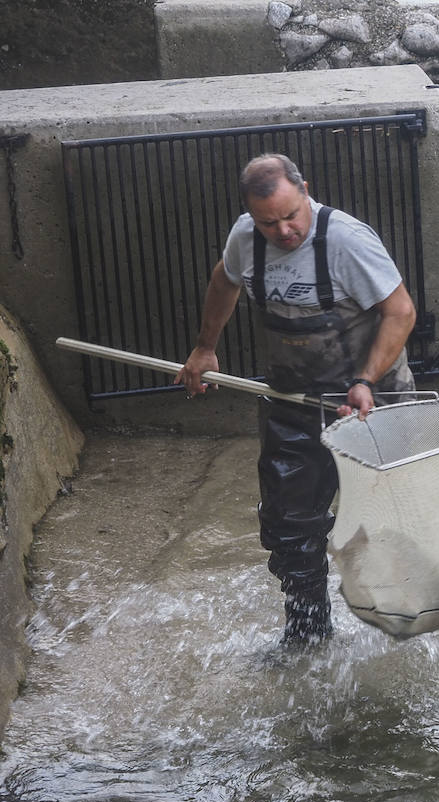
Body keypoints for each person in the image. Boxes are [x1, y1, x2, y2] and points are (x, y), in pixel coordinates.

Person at [175, 153, 417, 645]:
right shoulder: (246, 238)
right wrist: (205, 347)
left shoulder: (347, 241)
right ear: (250, 214)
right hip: (292, 398)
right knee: (289, 524)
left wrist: (366, 379)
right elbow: (225, 279)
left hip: (371, 398)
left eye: (291, 216)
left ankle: (404, 622)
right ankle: (308, 634)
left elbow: (401, 311)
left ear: (305, 190)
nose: (284, 231)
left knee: (388, 518)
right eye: (269, 222)